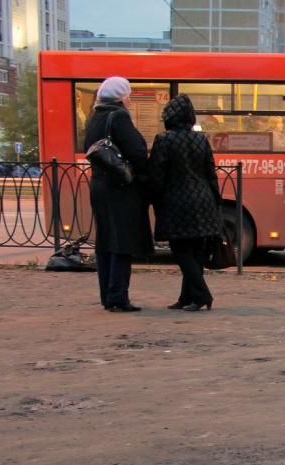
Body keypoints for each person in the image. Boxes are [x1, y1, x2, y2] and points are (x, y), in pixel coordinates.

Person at [149, 93, 225, 312]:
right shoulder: (201, 140)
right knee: (196, 252)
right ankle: (186, 297)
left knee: (181, 251)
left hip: (177, 204)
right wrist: (215, 200)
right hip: (204, 201)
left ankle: (202, 296)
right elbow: (211, 173)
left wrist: (154, 200)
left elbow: (157, 177)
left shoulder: (164, 140)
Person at [84, 76, 153, 313]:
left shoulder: (95, 115)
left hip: (99, 183)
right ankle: (118, 296)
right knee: (122, 242)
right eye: (129, 95)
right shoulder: (119, 116)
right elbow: (137, 150)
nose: (130, 100)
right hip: (120, 187)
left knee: (105, 241)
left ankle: (107, 296)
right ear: (122, 96)